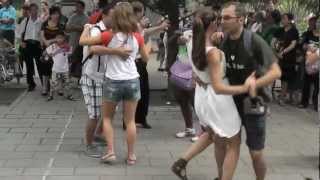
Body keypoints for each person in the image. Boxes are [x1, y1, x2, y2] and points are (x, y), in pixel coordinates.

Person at [171, 7, 253, 180]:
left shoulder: (192, 41)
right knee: (234, 142)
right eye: (219, 21)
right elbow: (218, 86)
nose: (222, 24)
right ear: (213, 25)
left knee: (215, 137)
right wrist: (245, 87)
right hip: (219, 99)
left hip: (202, 95)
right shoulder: (213, 52)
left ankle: (187, 164)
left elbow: (197, 70)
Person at [79, 2, 151, 165]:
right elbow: (146, 59)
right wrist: (148, 45)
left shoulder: (109, 35)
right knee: (130, 121)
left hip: (113, 81)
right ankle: (131, 156)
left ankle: (111, 152)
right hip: (133, 80)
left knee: (107, 119)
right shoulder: (137, 36)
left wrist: (86, 28)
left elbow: (85, 43)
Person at [215, 2, 281, 180]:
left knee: (255, 153)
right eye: (221, 17)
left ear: (241, 19)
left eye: (227, 18)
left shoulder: (254, 41)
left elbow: (276, 72)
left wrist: (254, 84)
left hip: (253, 103)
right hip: (231, 102)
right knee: (226, 143)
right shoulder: (224, 41)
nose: (222, 21)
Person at [80, 3, 126, 158]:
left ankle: (98, 134)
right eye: (113, 16)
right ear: (104, 15)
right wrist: (116, 51)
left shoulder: (113, 31)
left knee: (109, 112)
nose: (116, 19)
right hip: (92, 77)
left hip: (106, 77)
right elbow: (91, 48)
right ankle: (88, 143)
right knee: (94, 114)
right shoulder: (95, 30)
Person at [131, 1, 169, 129]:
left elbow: (146, 32)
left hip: (140, 63)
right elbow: (144, 34)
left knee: (143, 92)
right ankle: (132, 120)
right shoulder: (133, 25)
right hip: (136, 62)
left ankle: (140, 119)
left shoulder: (136, 25)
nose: (143, 15)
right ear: (138, 12)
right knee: (137, 93)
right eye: (142, 12)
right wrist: (159, 27)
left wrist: (159, 26)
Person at [273, 13, 299, 105]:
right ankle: (277, 93)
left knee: (285, 79)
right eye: (282, 18)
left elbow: (293, 44)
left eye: (284, 18)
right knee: (278, 76)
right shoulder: (280, 30)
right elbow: (273, 41)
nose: (282, 20)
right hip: (278, 57)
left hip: (288, 58)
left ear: (289, 20)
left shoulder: (294, 31)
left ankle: (282, 97)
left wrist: (283, 52)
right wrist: (276, 52)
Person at [40, 6, 65, 96]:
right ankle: (44, 88)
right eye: (54, 14)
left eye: (57, 14)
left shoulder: (60, 25)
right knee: (45, 68)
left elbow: (61, 38)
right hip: (46, 49)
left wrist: (50, 41)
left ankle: (60, 87)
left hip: (57, 50)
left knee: (57, 68)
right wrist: (45, 41)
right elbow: (42, 35)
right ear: (50, 15)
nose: (56, 16)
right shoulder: (45, 24)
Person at [18, 3, 42, 92]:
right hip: (27, 44)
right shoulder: (26, 21)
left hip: (37, 44)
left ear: (37, 10)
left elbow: (42, 34)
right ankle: (31, 84)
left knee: (40, 64)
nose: (33, 12)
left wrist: (42, 44)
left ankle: (44, 83)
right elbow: (20, 33)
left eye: (35, 9)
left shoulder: (41, 21)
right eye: (31, 10)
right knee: (29, 65)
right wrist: (21, 42)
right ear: (29, 11)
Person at [46, 32, 74, 101]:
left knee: (67, 83)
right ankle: (51, 95)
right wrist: (53, 53)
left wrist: (65, 48)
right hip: (55, 68)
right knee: (53, 83)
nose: (59, 39)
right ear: (55, 39)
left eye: (61, 37)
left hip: (65, 69)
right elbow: (48, 53)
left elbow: (70, 53)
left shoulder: (67, 46)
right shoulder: (52, 46)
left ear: (64, 38)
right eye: (58, 38)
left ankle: (69, 95)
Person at [299, 16, 319, 111]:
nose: (312, 24)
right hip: (308, 62)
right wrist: (306, 46)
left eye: (314, 23)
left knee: (317, 85)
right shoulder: (307, 34)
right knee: (306, 83)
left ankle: (316, 104)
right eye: (310, 23)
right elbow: (302, 45)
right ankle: (304, 102)